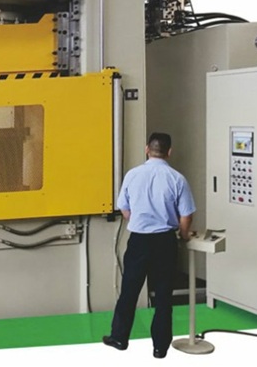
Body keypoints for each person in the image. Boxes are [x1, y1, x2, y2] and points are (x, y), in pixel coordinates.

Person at [103, 132, 195, 359]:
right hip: (165, 241)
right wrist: (184, 235)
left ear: (147, 149)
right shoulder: (177, 179)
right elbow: (186, 216)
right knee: (163, 295)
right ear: (169, 152)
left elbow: (124, 208)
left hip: (139, 240)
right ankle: (160, 347)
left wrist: (138, 220)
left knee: (129, 291)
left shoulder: (133, 175)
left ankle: (119, 338)